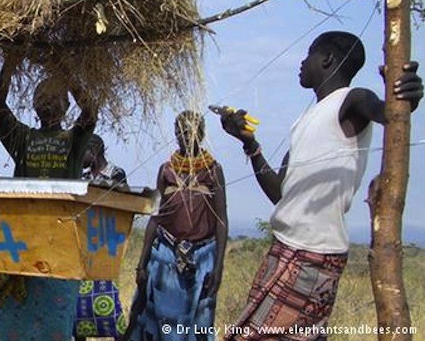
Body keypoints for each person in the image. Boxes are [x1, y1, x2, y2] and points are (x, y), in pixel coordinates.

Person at [216, 31, 422, 340]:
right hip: (287, 247)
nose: (301, 63)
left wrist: (408, 96)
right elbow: (280, 194)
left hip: (312, 253)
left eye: (308, 55)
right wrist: (250, 144)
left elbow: (388, 113)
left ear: (326, 59)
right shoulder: (305, 121)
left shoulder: (352, 100)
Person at [0, 51, 97, 341]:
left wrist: (65, 68)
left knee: (55, 322)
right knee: (13, 319)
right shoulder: (23, 139)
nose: (48, 103)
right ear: (34, 104)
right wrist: (11, 61)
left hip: (62, 246)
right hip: (22, 242)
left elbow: (90, 113)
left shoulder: (73, 141)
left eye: (56, 98)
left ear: (65, 106)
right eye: (43, 98)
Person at [128, 111, 227, 341]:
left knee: (199, 323)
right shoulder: (167, 170)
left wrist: (219, 266)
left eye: (190, 131)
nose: (185, 137)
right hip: (166, 255)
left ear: (200, 134)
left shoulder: (213, 170)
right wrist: (141, 264)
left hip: (202, 256)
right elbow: (156, 216)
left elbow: (221, 219)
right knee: (162, 322)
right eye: (180, 132)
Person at [73, 134, 129, 341]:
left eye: (83, 153)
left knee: (108, 297)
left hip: (107, 246)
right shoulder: (83, 176)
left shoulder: (116, 174)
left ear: (94, 152)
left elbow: (120, 205)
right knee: (80, 304)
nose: (80, 158)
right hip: (84, 245)